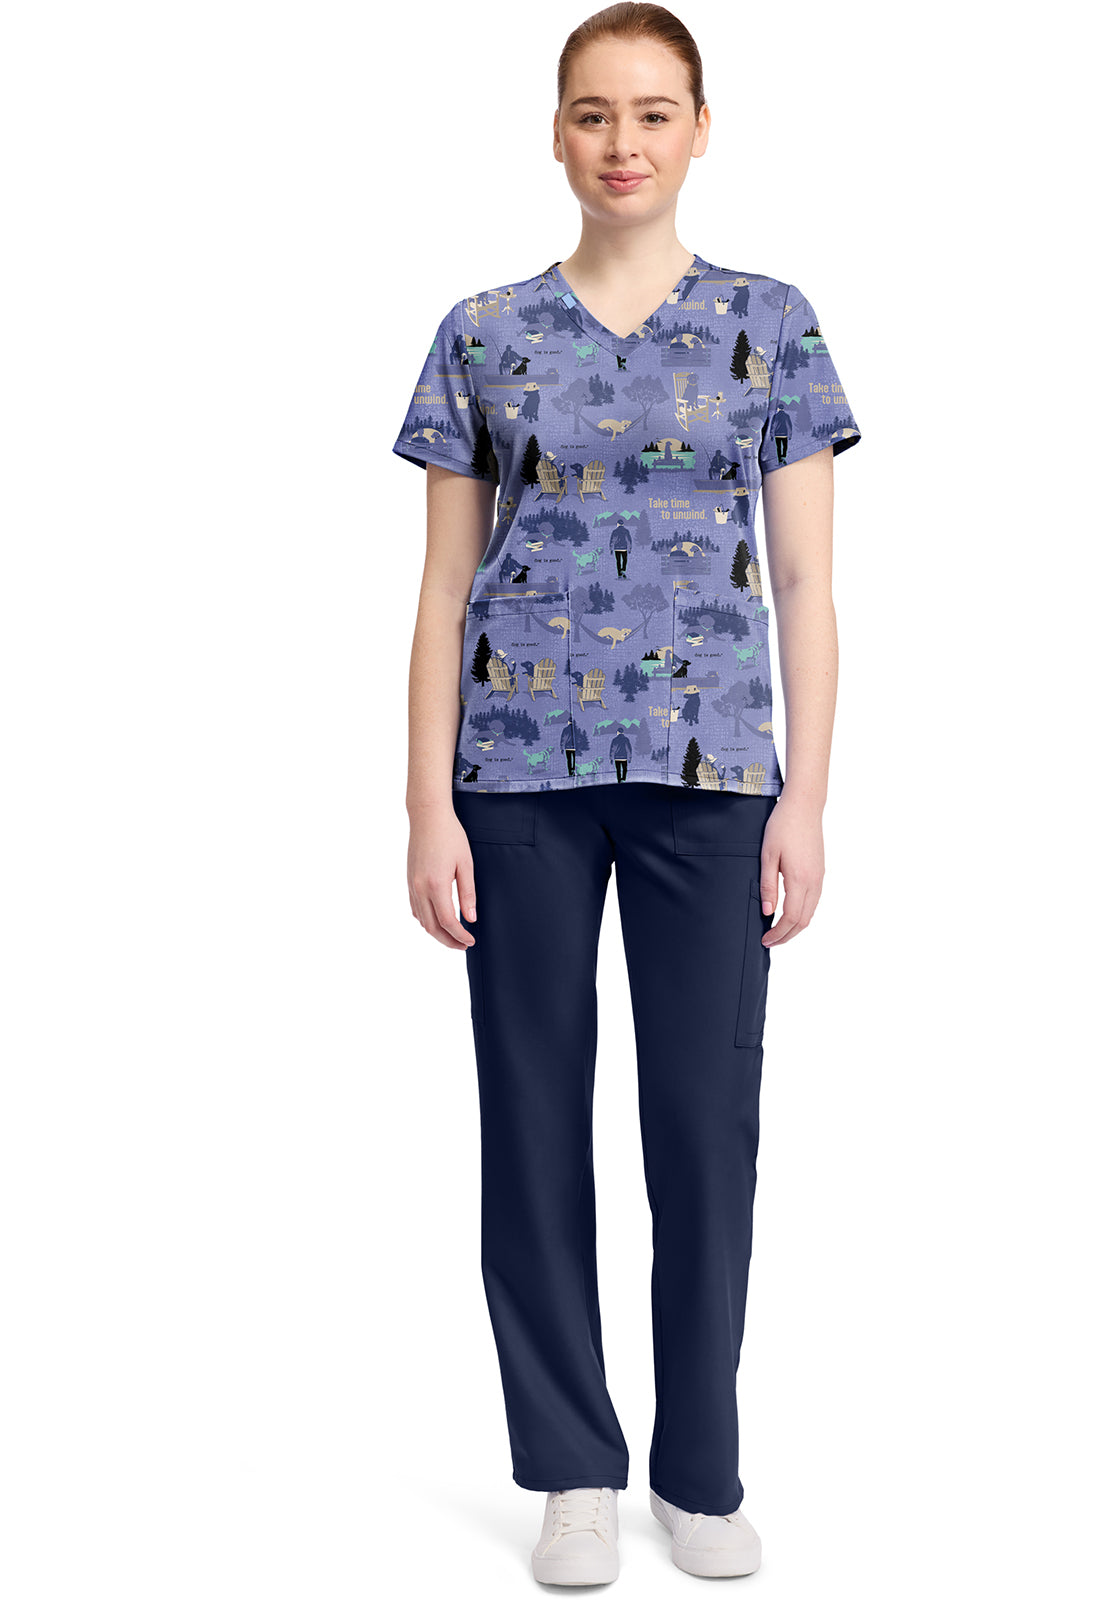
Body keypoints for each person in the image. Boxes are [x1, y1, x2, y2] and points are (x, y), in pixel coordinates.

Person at [392, 3, 862, 1583]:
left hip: (715, 777)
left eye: (654, 113)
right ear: (556, 132)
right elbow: (443, 587)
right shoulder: (483, 332)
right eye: (594, 113)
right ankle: (572, 1466)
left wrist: (804, 800)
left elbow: (809, 582)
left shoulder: (771, 323)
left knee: (703, 1129)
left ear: (700, 130)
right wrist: (425, 805)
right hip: (519, 776)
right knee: (531, 1116)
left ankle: (701, 1472)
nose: (623, 143)